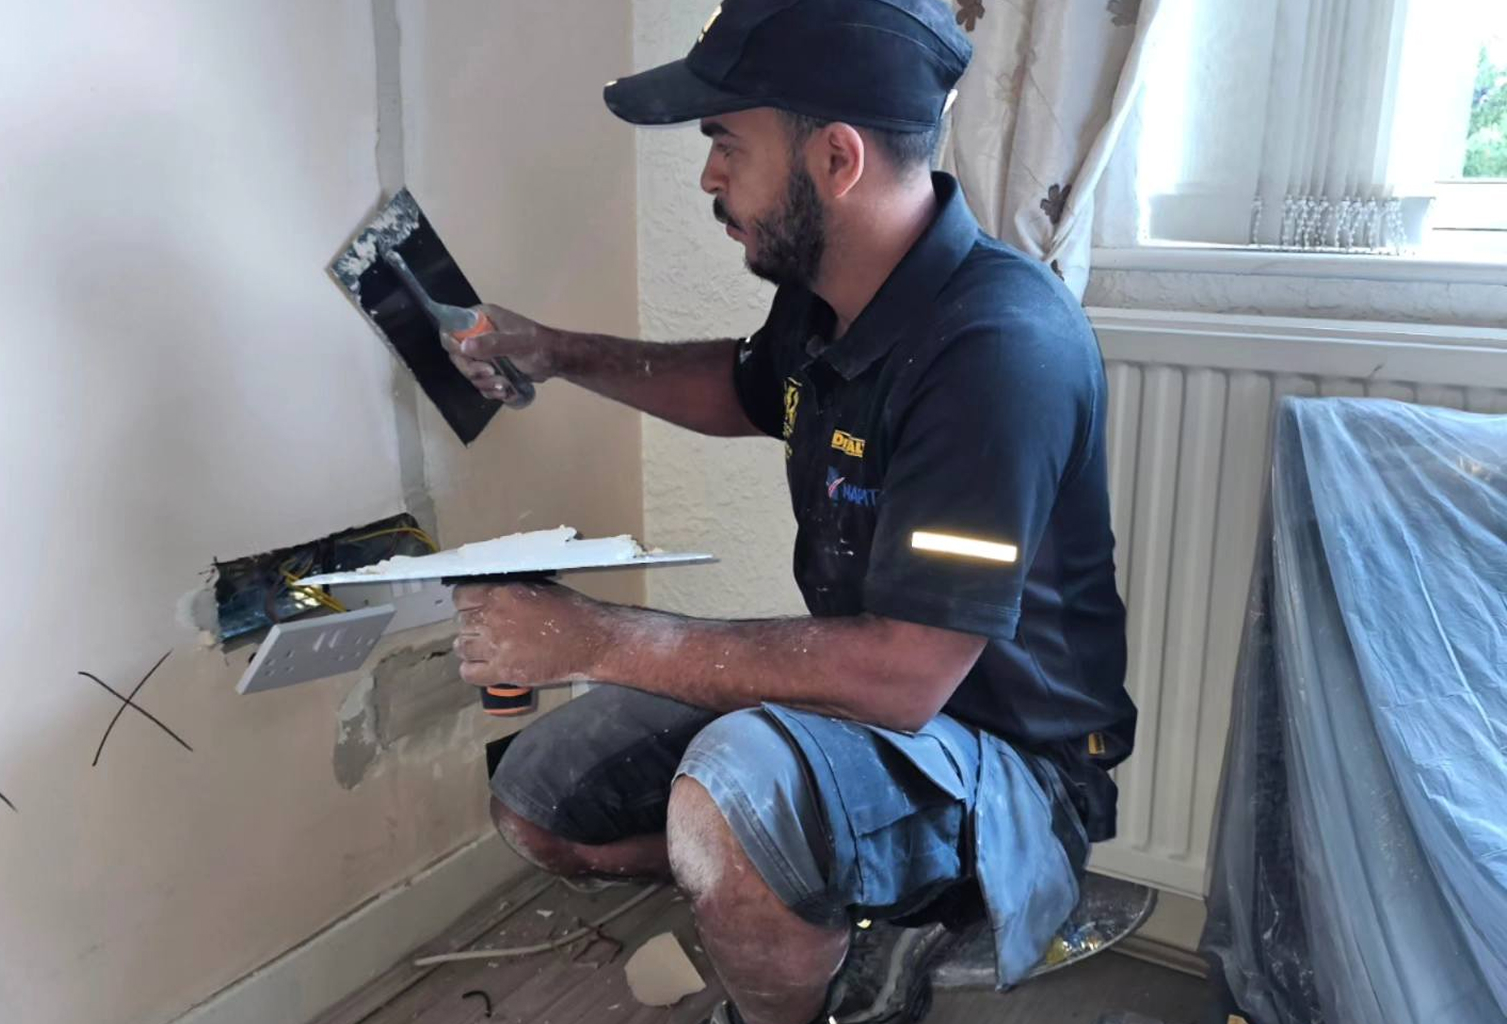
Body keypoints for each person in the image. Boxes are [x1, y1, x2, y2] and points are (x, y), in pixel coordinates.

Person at [442, 2, 1135, 1022]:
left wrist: (591, 636)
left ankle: (811, 993)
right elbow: (747, 390)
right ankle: (846, 928)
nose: (709, 175)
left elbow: (901, 673)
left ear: (837, 159)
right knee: (544, 799)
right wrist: (559, 351)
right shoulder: (831, 293)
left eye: (727, 141)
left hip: (1008, 765)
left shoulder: (999, 348)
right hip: (881, 709)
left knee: (733, 797)